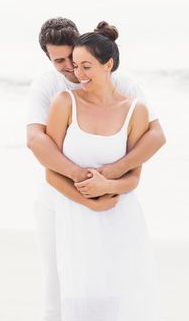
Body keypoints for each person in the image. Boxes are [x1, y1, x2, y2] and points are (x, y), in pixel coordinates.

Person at [26, 18, 165, 321]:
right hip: (59, 200)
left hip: (113, 205)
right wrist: (85, 183)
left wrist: (111, 178)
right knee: (58, 289)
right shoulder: (53, 90)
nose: (71, 69)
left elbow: (155, 136)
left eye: (74, 59)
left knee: (116, 290)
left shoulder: (124, 85)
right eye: (60, 61)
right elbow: (37, 142)